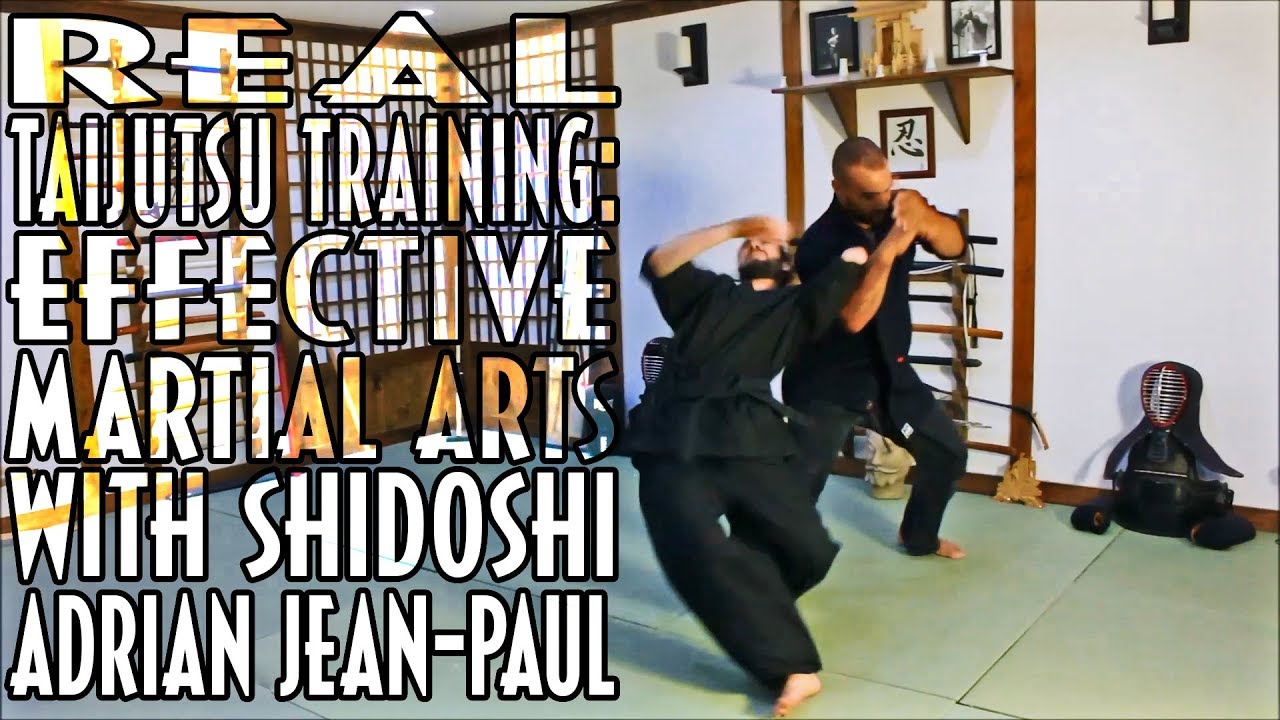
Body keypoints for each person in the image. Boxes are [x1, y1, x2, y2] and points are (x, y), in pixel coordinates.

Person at [626, 214, 875, 717]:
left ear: (788, 265)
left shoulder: (798, 303)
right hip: (675, 436)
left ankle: (756, 603)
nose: (755, 245)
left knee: (808, 547)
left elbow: (854, 259)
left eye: (766, 244)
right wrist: (736, 227)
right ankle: (790, 668)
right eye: (749, 244)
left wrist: (835, 247)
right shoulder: (708, 294)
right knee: (694, 549)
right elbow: (660, 261)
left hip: (749, 435)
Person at [782, 136, 969, 560]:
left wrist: (925, 217)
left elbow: (955, 247)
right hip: (826, 382)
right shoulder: (820, 243)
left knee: (946, 454)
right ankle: (768, 565)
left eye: (887, 188)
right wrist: (889, 250)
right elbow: (854, 318)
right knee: (800, 483)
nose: (882, 200)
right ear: (838, 188)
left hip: (889, 373)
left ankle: (918, 536)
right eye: (869, 195)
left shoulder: (895, 209)